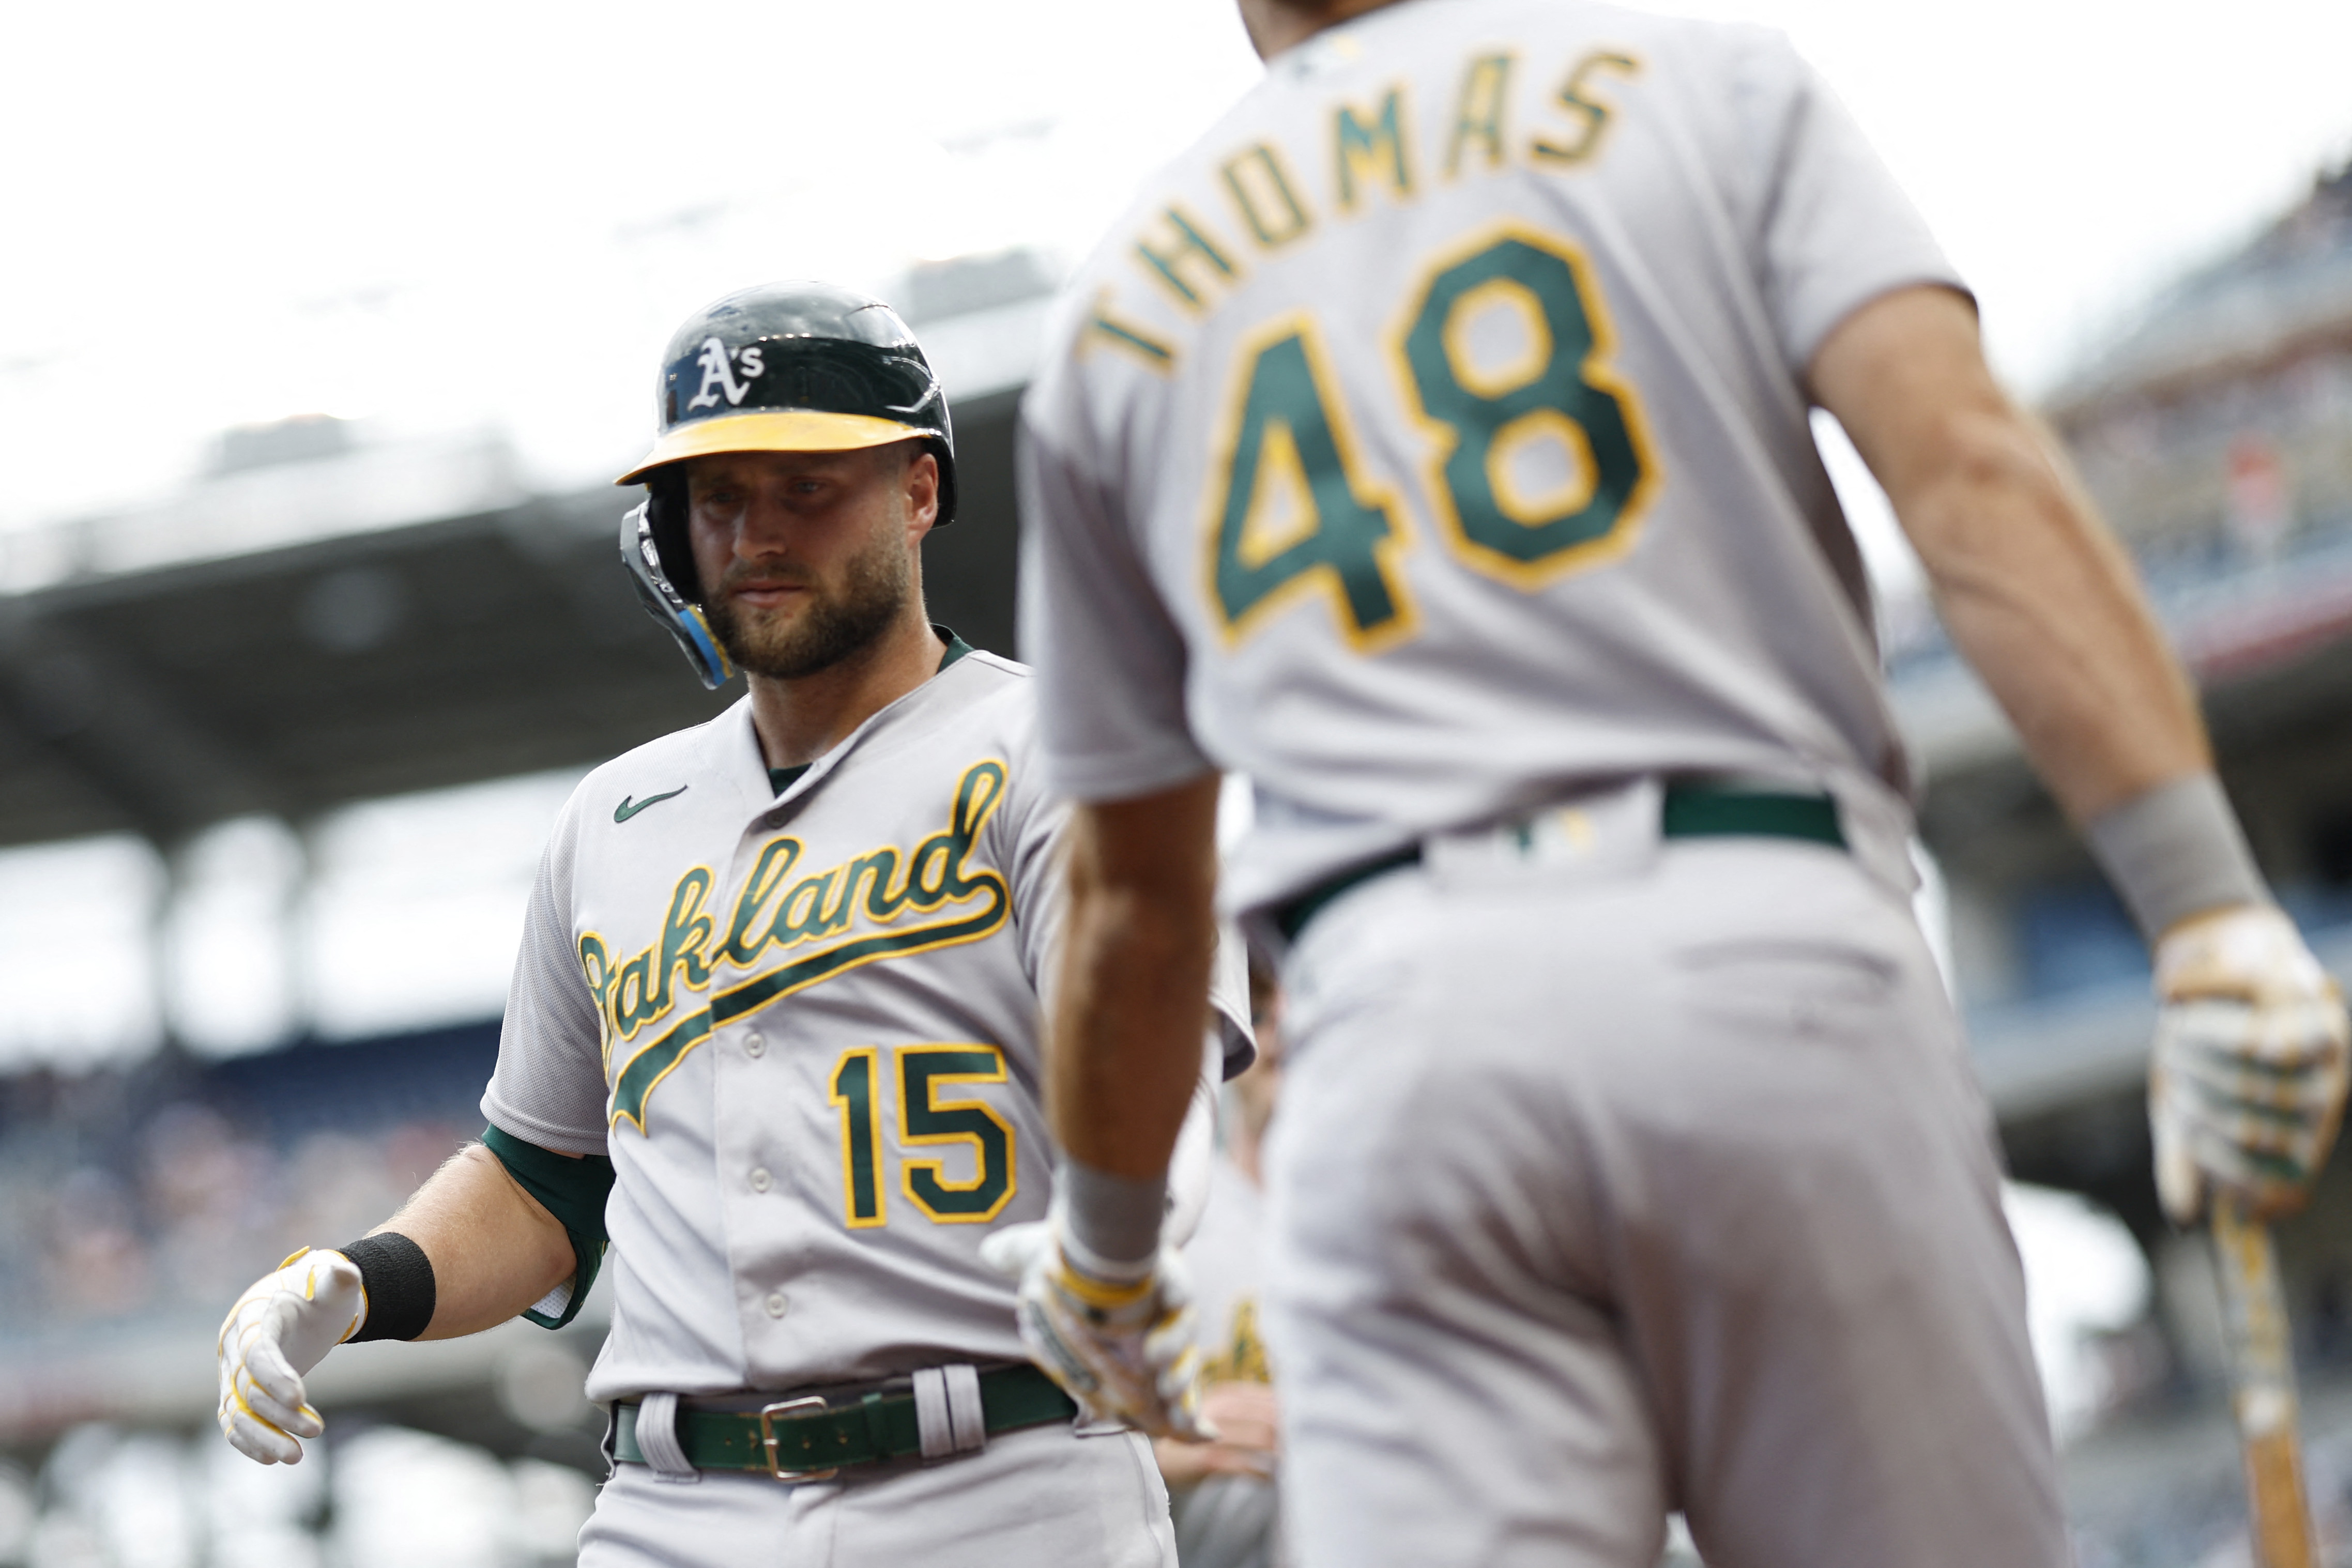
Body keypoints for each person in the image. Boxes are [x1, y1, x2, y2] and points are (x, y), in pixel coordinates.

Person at [998, 3, 2352, 1566]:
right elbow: (1968, 476)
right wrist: (2202, 909)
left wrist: (1104, 1258)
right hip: (1756, 937)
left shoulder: (1122, 294)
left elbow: (1136, 903)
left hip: (1395, 1029)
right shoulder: (1692, 77)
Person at [213, 282, 1250, 1568]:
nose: (757, 529)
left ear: (919, 491)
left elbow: (1156, 1057)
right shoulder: (615, 819)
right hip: (675, 1505)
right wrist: (359, 1280)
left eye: (806, 483)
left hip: (1001, 1484)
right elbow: (544, 1174)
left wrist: (1126, 1228)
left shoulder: (1065, 747)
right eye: (718, 496)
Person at [1155, 961, 1286, 1568]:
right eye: (1262, 1012)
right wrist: (1155, 1449)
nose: (1285, 1028)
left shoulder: (1402, 1223)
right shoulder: (1175, 1217)